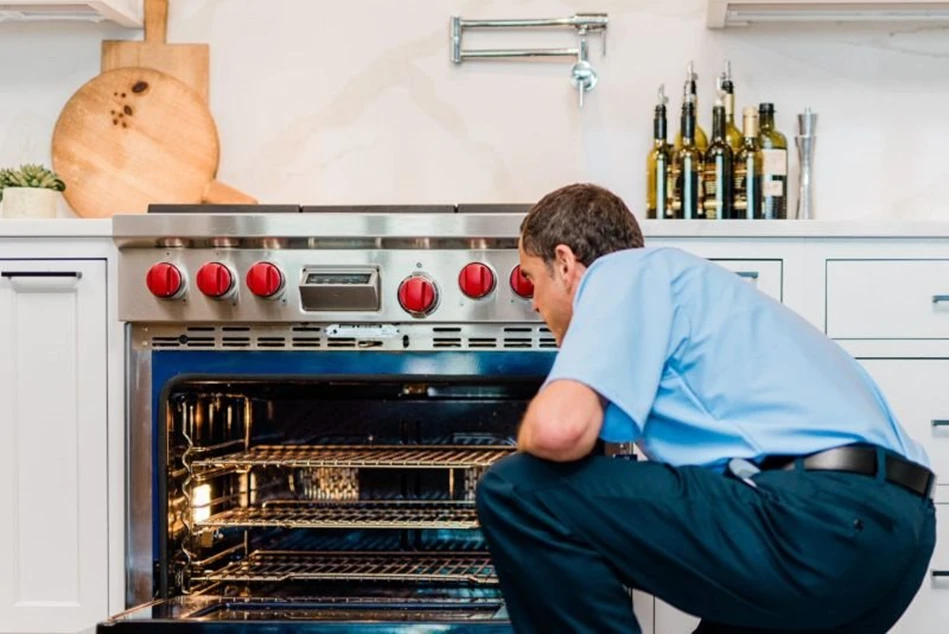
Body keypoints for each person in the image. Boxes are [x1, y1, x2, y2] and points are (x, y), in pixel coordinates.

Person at [475, 183, 937, 634]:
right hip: (897, 542)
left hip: (815, 523)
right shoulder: (700, 297)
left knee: (519, 488)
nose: (533, 304)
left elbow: (559, 431)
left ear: (566, 262)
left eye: (531, 280)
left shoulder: (622, 272)